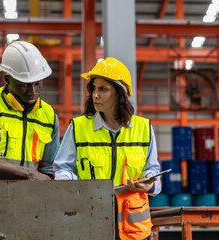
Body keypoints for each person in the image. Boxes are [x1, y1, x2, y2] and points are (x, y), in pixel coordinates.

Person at [53, 57, 161, 240]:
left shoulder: (144, 128)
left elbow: (153, 172)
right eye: (93, 88)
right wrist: (67, 183)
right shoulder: (78, 127)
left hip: (133, 229)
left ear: (119, 93)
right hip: (90, 222)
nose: (95, 95)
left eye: (103, 89)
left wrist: (148, 184)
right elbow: (62, 168)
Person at [0, 41, 60, 180]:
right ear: (7, 78)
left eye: (37, 83)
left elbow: (48, 168)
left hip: (31, 196)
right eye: (24, 85)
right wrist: (29, 174)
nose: (32, 91)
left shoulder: (49, 116)